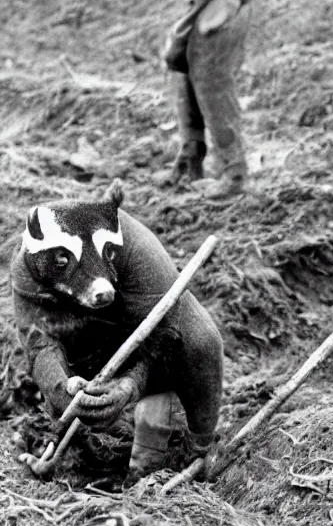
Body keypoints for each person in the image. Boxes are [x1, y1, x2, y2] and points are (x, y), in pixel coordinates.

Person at [11, 181, 223, 485]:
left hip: (152, 336)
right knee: (59, 377)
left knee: (199, 341)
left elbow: (165, 334)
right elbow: (40, 344)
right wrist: (64, 390)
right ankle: (72, 447)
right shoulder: (29, 266)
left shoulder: (138, 251)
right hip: (90, 337)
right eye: (63, 262)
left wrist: (131, 385)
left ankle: (197, 448)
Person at [109, 0, 264, 199]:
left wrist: (187, 24)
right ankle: (190, 160)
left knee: (210, 75)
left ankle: (235, 173)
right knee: (181, 66)